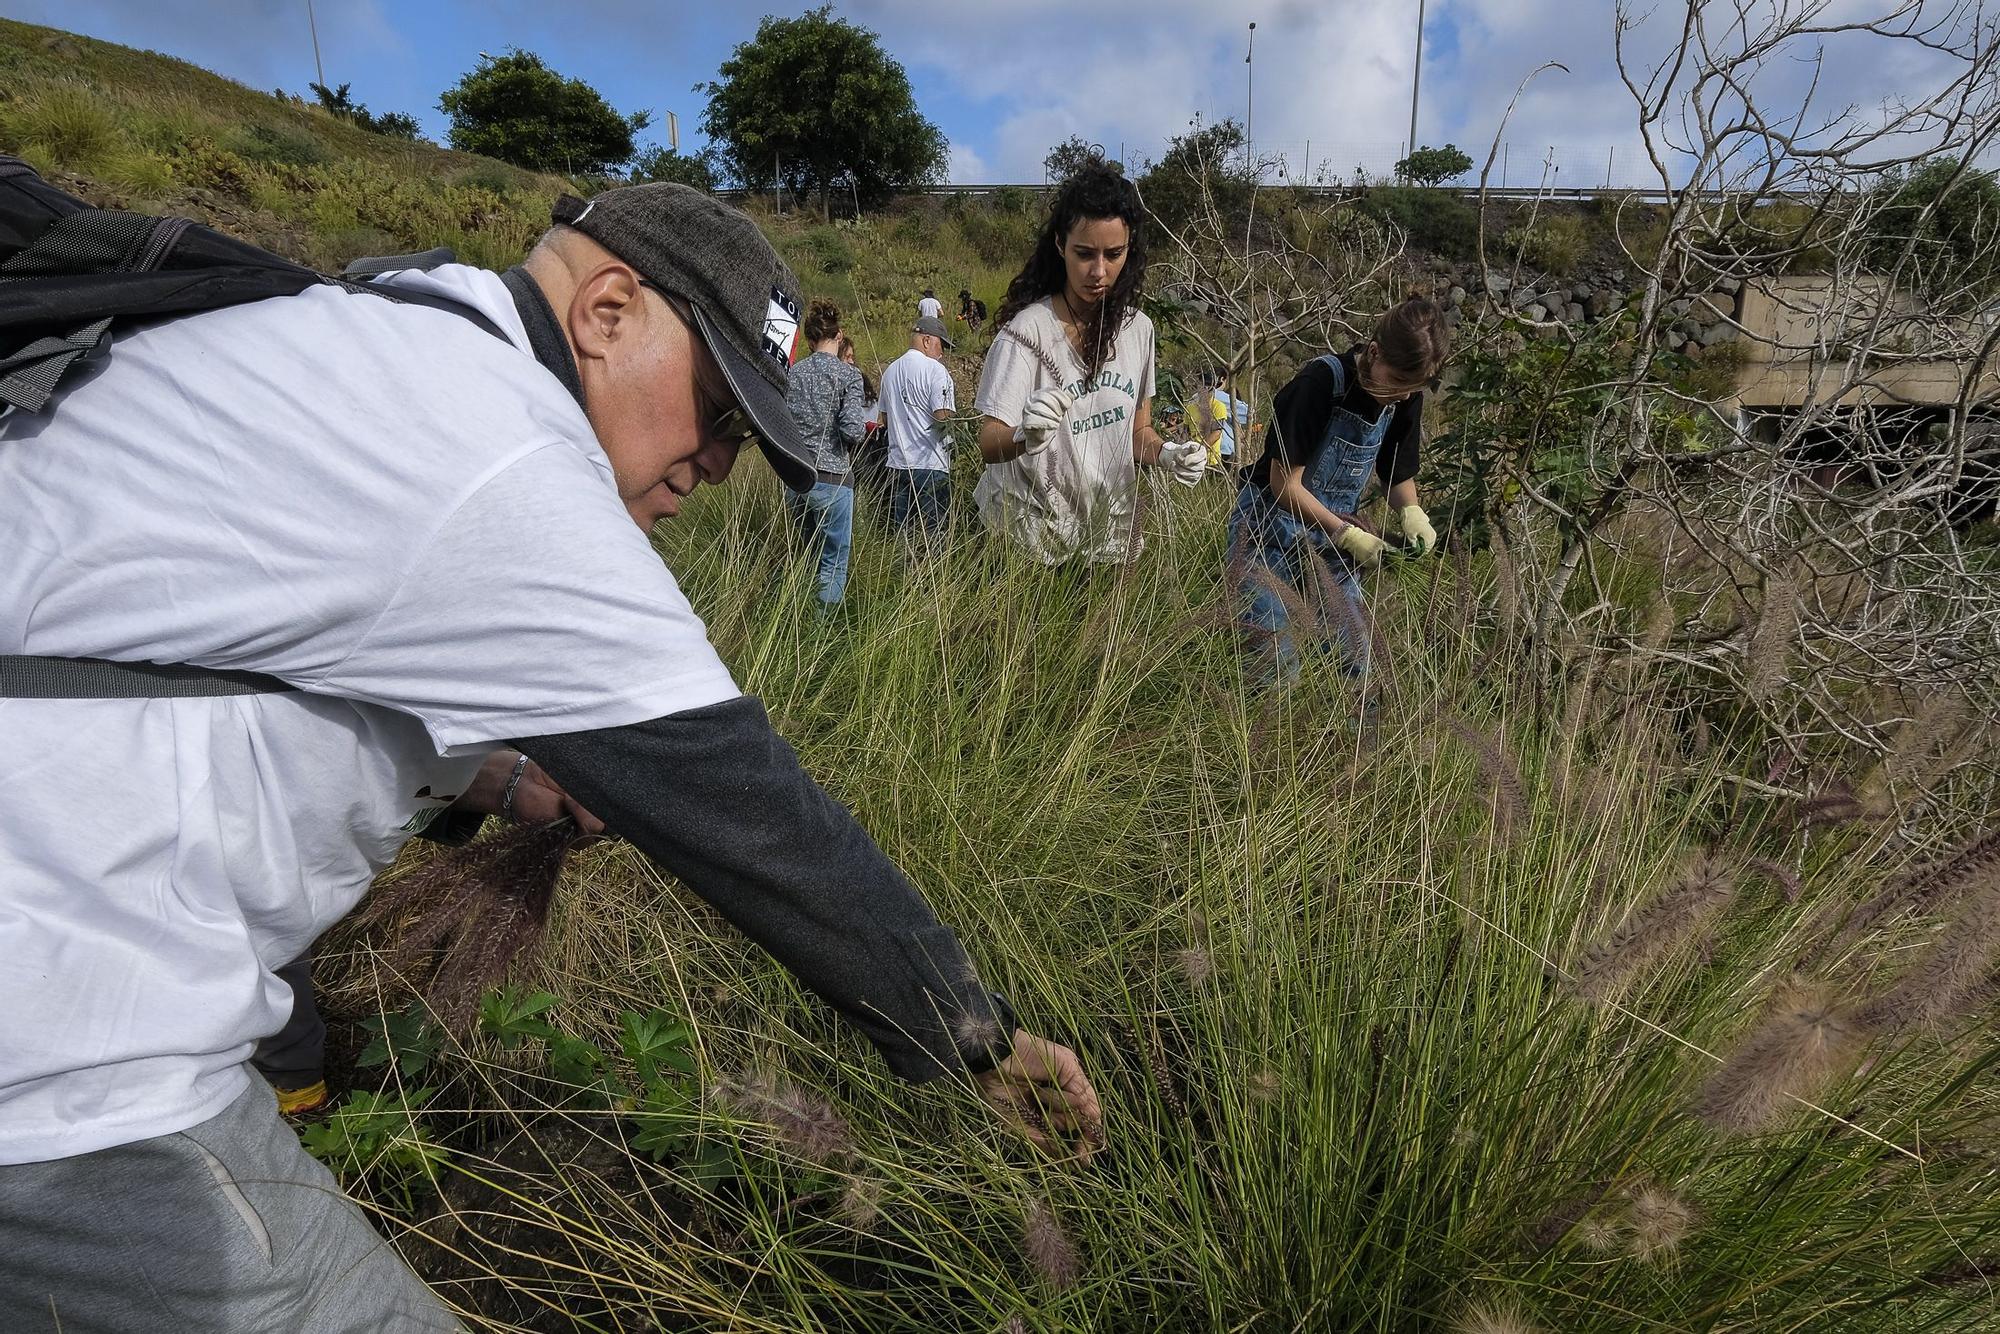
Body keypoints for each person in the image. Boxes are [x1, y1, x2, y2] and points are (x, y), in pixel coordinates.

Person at [0, 182, 1101, 1331]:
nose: (717, 465)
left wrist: (491, 776)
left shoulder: (383, 329)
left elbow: (204, 644)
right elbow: (750, 808)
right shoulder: (497, 449)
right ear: (608, 311)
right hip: (62, 1040)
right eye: (718, 411)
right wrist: (975, 1035)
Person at [973, 164, 1205, 564]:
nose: (1099, 272)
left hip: (1108, 538)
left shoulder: (1139, 330)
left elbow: (1137, 433)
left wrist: (1167, 453)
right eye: (1084, 253)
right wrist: (1023, 437)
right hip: (1029, 541)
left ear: (1129, 249)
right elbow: (988, 442)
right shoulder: (1027, 333)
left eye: (1114, 254)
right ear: (1061, 245)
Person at [1228, 295, 1449, 683]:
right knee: (1275, 668)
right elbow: (1285, 484)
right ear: (1374, 352)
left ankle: (1351, 741)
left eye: (1413, 389)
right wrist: (1347, 534)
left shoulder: (1403, 398)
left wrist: (1412, 512)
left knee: (1355, 663)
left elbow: (1396, 475)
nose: (1403, 395)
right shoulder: (1320, 384)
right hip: (1266, 535)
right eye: (1397, 382)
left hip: (1333, 546)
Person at [783, 298, 867, 608]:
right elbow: (852, 431)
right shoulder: (849, 376)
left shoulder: (794, 373)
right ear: (840, 335)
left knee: (806, 554)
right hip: (834, 479)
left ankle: (796, 617)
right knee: (833, 561)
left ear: (809, 340)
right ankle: (822, 628)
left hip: (797, 476)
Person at [878, 315, 959, 545]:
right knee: (934, 538)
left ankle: (902, 579)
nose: (942, 352)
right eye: (940, 344)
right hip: (931, 465)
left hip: (898, 466)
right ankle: (932, 579)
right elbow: (942, 417)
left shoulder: (890, 372)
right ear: (926, 340)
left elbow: (884, 419)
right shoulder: (936, 371)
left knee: (903, 538)